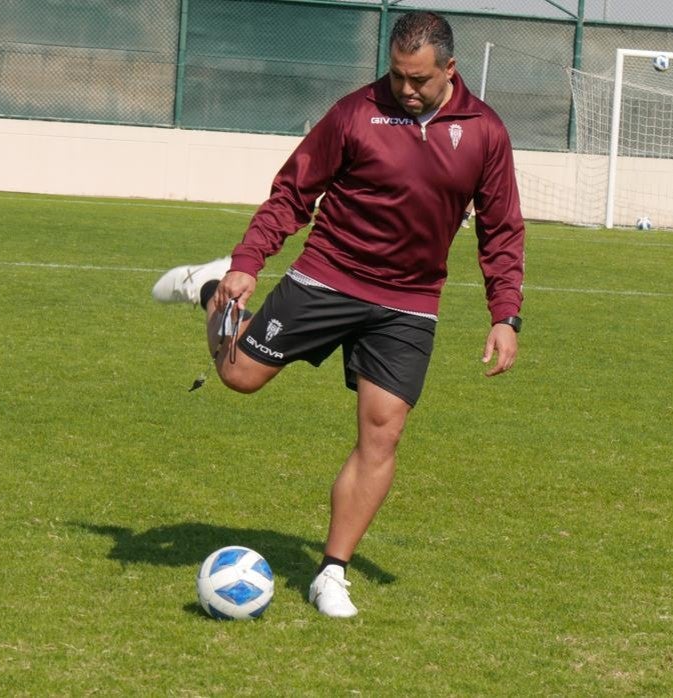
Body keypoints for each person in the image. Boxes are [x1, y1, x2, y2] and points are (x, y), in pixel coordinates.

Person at [150, 11, 525, 617]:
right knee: (238, 377)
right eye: (398, 75)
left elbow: (502, 228)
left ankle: (332, 572)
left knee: (383, 431)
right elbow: (293, 193)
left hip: (409, 301)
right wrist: (248, 261)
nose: (405, 88)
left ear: (450, 71)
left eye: (420, 79)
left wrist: (505, 314)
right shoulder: (355, 113)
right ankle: (210, 288)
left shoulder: (484, 131)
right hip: (328, 275)